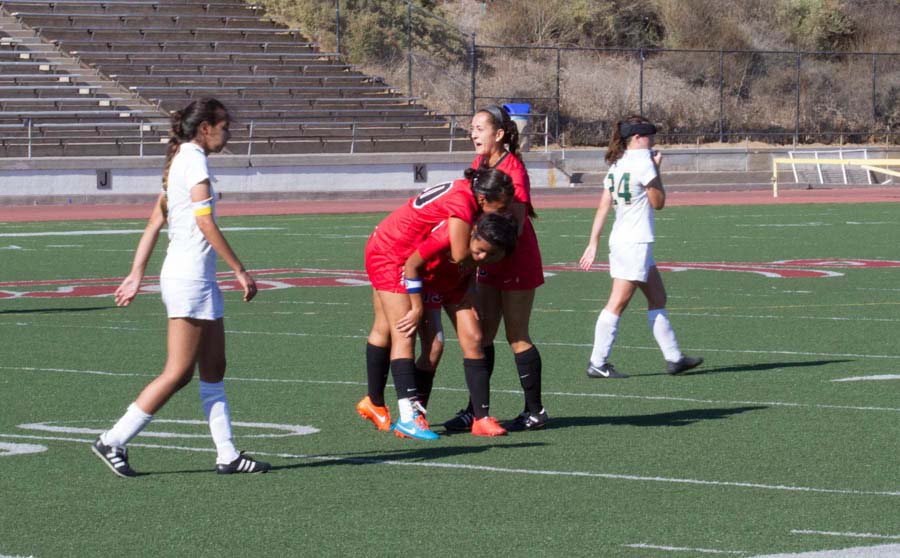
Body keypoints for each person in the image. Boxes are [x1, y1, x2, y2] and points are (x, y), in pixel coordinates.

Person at [91, 98, 270, 477]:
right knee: (178, 373)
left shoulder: (180, 161)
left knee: (214, 368)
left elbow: (155, 221)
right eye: (224, 126)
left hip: (198, 279)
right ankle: (113, 439)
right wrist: (239, 269)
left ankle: (228, 455)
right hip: (189, 279)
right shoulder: (192, 161)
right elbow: (204, 224)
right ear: (206, 127)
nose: (228, 133)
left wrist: (136, 272)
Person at [357, 167, 514, 440]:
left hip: (400, 250)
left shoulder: (468, 198)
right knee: (403, 331)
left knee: (385, 329)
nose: (502, 214)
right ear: (483, 199)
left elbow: (468, 255)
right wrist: (419, 307)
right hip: (394, 254)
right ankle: (409, 417)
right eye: (499, 208)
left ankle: (376, 402)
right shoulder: (462, 209)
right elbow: (458, 253)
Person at [444, 105, 548, 433]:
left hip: (514, 260)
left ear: (499, 134)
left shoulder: (513, 170)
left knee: (516, 336)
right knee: (482, 336)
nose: (473, 133)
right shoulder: (479, 164)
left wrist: (478, 250)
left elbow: (513, 228)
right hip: (488, 260)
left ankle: (535, 411)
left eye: (479, 128)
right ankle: (476, 411)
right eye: (471, 128)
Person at [578, 115, 703, 378]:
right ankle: (597, 362)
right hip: (634, 241)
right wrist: (656, 169)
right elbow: (658, 202)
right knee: (617, 303)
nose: (653, 140)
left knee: (658, 297)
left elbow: (603, 206)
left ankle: (674, 358)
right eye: (649, 135)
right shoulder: (643, 162)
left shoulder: (618, 163)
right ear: (636, 137)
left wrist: (593, 242)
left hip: (624, 240)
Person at [412, 212, 519, 436]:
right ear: (472, 234)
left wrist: (471, 290)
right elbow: (412, 265)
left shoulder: (486, 248)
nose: (481, 257)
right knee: (433, 349)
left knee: (476, 339)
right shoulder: (447, 237)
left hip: (456, 289)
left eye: (489, 255)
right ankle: (415, 416)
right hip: (428, 285)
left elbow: (472, 268)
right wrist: (416, 306)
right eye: (478, 250)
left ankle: (481, 418)